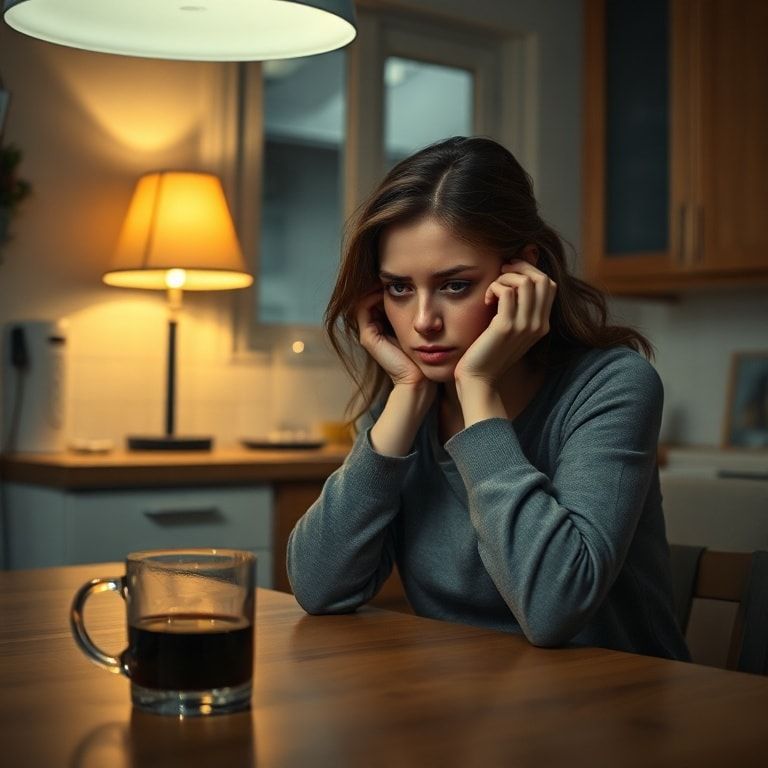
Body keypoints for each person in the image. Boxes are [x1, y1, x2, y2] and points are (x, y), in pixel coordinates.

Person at [287, 136, 689, 660]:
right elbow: (318, 588)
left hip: (622, 714)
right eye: (400, 289)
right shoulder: (405, 405)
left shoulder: (613, 385)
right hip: (470, 712)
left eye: (455, 286)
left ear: (522, 275)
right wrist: (405, 398)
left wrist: (477, 390)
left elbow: (554, 608)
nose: (423, 321)